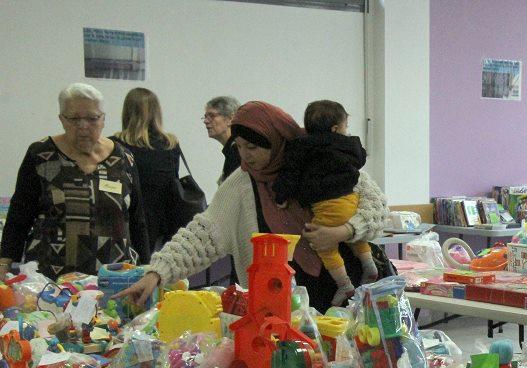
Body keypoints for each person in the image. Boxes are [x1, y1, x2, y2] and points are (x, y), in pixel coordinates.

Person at [118, 101, 389, 312]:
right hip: (284, 310)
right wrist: (158, 272)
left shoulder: (323, 160)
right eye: (240, 146)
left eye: (254, 147)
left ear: (277, 140)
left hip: (349, 294)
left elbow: (377, 209)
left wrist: (342, 231)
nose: (246, 156)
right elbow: (203, 234)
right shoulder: (241, 185)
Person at [0, 83, 149, 280]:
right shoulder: (42, 155)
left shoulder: (124, 158)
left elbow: (137, 219)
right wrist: (4, 263)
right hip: (51, 280)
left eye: (92, 118)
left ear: (103, 119)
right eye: (74, 119)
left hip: (114, 278)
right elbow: (19, 215)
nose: (83, 126)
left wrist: (147, 268)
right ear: (62, 119)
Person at [273, 100, 377, 306]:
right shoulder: (349, 144)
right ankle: (369, 264)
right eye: (346, 127)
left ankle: (344, 284)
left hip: (326, 207)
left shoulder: (300, 147)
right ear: (336, 128)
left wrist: (281, 197)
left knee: (324, 245)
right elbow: (360, 158)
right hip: (351, 201)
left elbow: (290, 176)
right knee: (355, 237)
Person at [112, 88, 183, 249]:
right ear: (157, 113)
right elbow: (173, 181)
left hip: (127, 218)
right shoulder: (170, 144)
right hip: (161, 220)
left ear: (127, 112)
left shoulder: (115, 145)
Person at [204, 96, 241, 185]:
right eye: (205, 117)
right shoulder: (233, 149)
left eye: (212, 116)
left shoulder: (238, 151)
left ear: (231, 119)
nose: (205, 121)